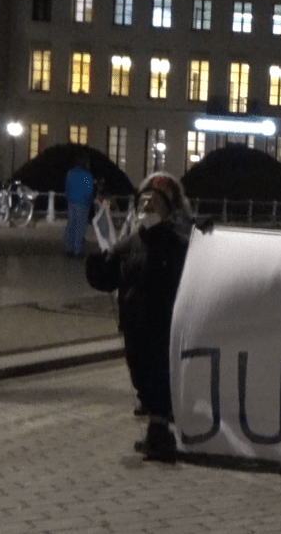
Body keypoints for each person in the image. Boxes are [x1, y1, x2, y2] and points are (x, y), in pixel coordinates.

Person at [85, 172, 197, 463]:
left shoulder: (178, 245)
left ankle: (161, 435)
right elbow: (109, 278)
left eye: (154, 202)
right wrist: (96, 266)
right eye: (143, 201)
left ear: (168, 209)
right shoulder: (129, 244)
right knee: (140, 376)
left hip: (162, 325)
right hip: (134, 325)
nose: (147, 206)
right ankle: (157, 433)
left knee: (159, 378)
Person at [64, 153, 96, 257]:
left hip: (72, 202)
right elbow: (89, 190)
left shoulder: (71, 173)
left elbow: (67, 188)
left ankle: (68, 248)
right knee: (80, 226)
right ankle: (78, 250)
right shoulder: (87, 175)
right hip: (83, 202)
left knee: (71, 225)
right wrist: (90, 201)